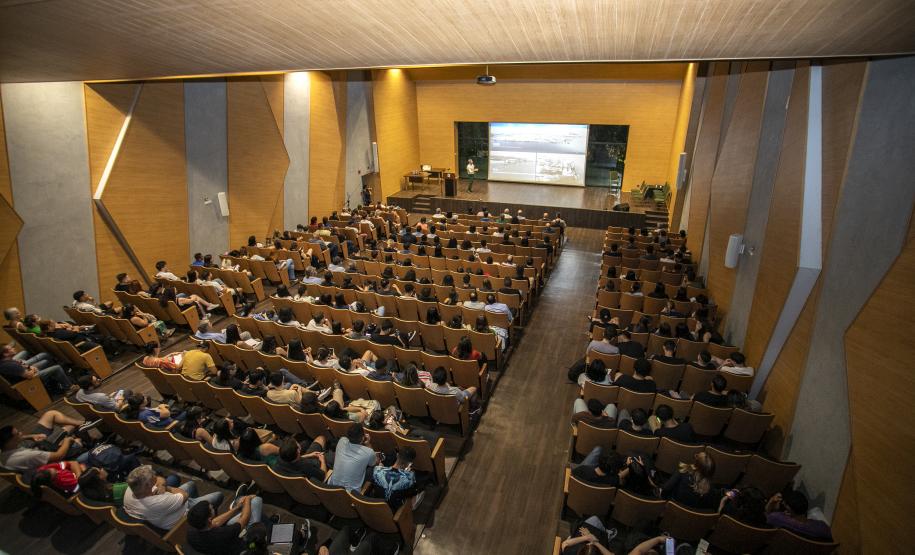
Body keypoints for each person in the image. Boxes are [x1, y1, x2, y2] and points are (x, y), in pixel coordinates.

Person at [124, 465, 224, 530]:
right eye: (152, 478)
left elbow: (159, 479)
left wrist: (162, 486)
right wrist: (166, 488)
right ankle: (204, 520)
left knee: (191, 484)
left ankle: (202, 514)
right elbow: (185, 495)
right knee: (218, 496)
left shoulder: (132, 488)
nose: (155, 476)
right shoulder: (157, 502)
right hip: (182, 519)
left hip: (171, 507)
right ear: (147, 485)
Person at [0, 411, 98, 471]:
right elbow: (59, 456)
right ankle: (87, 444)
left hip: (38, 448)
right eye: (18, 434)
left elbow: (21, 440)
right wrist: (67, 441)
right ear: (10, 441)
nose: (21, 433)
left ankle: (85, 425)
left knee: (52, 415)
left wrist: (30, 436)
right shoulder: (27, 455)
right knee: (74, 434)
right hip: (52, 459)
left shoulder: (4, 450)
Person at [0, 343, 76, 394]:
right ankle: (69, 388)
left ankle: (55, 382)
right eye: (11, 348)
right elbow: (29, 376)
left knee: (45, 361)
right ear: (5, 354)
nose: (13, 348)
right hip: (27, 382)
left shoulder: (4, 361)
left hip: (25, 375)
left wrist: (30, 367)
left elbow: (22, 366)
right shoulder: (10, 365)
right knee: (57, 368)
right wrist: (33, 369)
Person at [328, 423, 378, 492]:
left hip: (331, 486)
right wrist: (368, 444)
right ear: (363, 438)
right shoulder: (369, 452)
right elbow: (374, 463)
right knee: (374, 467)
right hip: (351, 494)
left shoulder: (341, 440)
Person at [765, 490, 833, 540]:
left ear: (788, 509)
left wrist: (771, 501)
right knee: (815, 511)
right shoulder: (821, 528)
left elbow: (767, 516)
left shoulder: (778, 518)